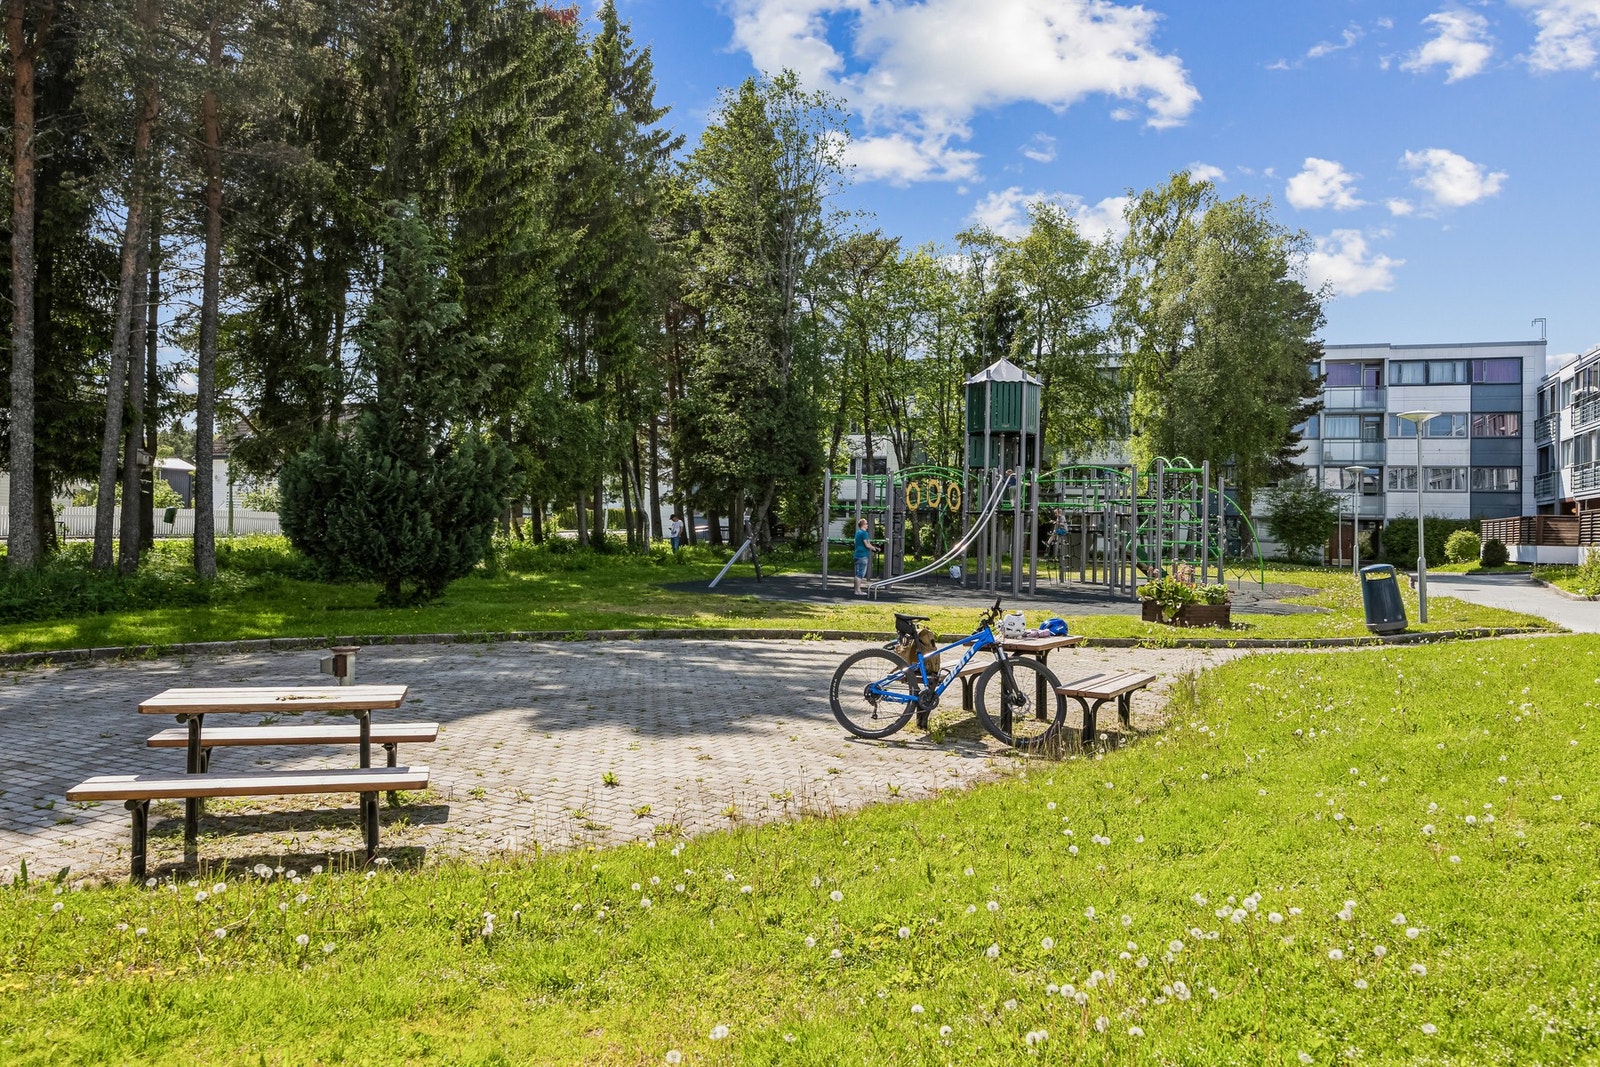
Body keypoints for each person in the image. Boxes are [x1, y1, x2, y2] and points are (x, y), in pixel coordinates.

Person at [852, 517, 879, 596]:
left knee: (857, 573)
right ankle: (858, 591)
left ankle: (856, 590)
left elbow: (867, 543)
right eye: (866, 523)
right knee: (860, 574)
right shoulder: (864, 533)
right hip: (862, 555)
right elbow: (867, 544)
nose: (867, 525)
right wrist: (874, 549)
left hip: (857, 554)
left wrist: (874, 548)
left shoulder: (858, 532)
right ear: (863, 525)